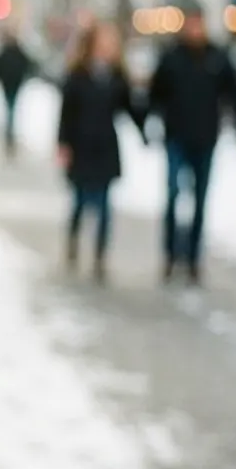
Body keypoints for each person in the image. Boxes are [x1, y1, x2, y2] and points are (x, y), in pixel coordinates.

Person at [143, 3, 236, 283]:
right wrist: (148, 122)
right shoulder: (171, 57)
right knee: (173, 195)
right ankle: (169, 253)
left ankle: (193, 257)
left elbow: (234, 94)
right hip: (176, 137)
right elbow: (155, 94)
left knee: (201, 200)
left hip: (205, 138)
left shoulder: (217, 57)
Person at [57, 19, 146, 282]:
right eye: (103, 41)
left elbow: (130, 109)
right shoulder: (77, 75)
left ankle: (100, 256)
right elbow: (66, 114)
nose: (108, 46)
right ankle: (73, 240)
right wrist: (63, 144)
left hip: (106, 147)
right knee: (81, 201)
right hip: (82, 146)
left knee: (106, 205)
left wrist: (145, 126)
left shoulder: (118, 76)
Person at [0, 25, 36, 157]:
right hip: (11, 84)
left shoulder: (11, 51)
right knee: (11, 109)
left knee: (10, 109)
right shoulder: (10, 51)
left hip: (12, 84)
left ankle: (9, 134)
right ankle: (9, 134)